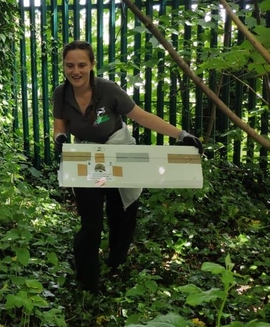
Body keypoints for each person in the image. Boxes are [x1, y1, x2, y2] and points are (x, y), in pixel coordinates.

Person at [52, 40, 203, 294]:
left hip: (120, 154)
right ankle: (88, 280)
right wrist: (60, 139)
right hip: (87, 160)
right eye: (69, 65)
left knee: (122, 213)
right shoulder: (61, 93)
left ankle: (115, 263)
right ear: (64, 66)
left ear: (91, 65)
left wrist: (181, 135)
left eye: (81, 64)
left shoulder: (109, 91)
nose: (75, 71)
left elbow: (142, 116)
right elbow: (59, 126)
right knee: (91, 223)